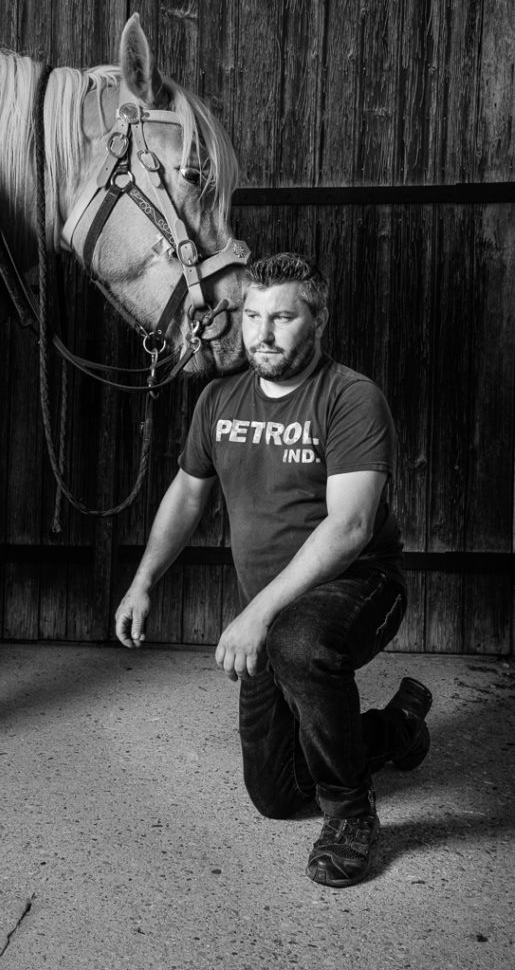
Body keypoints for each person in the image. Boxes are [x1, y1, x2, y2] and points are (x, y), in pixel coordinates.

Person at [115, 252, 432, 888]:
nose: (260, 333)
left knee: (298, 641)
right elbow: (186, 496)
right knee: (276, 794)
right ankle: (396, 729)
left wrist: (257, 614)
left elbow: (349, 528)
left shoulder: (351, 398)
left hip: (362, 585)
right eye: (252, 316)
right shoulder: (219, 398)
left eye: (281, 318)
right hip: (275, 606)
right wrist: (142, 580)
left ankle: (351, 816)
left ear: (316, 320)